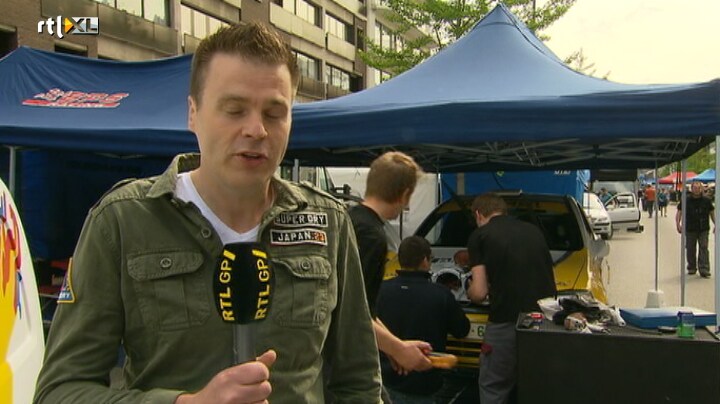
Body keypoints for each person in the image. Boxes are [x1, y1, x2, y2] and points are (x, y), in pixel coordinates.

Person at [34, 23, 381, 403]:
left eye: (274, 113)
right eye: (234, 110)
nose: (256, 130)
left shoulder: (329, 222)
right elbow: (59, 392)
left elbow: (359, 383)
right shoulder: (122, 221)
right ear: (193, 114)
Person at [348, 152, 434, 398]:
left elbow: (365, 308)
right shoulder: (371, 236)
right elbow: (353, 312)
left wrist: (394, 347)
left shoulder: (351, 219)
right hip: (347, 366)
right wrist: (398, 349)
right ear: (405, 194)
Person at [465, 193, 557, 404]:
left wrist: (470, 289)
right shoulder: (534, 231)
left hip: (505, 321)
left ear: (478, 215)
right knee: (536, 386)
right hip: (543, 322)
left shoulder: (480, 236)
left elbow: (479, 293)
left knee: (493, 385)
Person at [376, 236, 470, 403]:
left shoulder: (380, 290)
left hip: (386, 383)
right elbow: (462, 330)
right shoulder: (441, 295)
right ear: (425, 260)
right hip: (425, 385)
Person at [676, 181, 715, 278]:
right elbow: (679, 212)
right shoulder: (686, 200)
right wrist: (678, 224)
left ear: (701, 189)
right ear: (691, 189)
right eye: (695, 188)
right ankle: (692, 267)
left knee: (704, 248)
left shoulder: (707, 200)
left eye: (698, 188)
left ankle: (704, 269)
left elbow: (712, 213)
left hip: (703, 228)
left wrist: (716, 224)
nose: (697, 190)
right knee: (690, 248)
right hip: (690, 228)